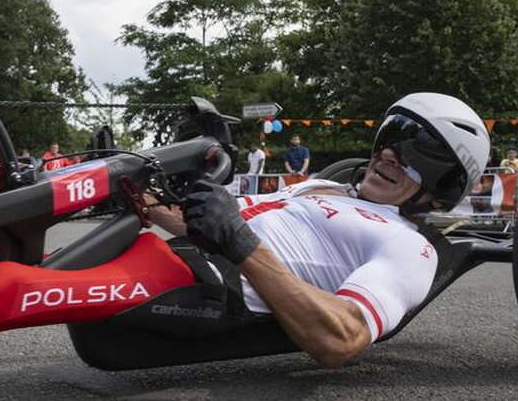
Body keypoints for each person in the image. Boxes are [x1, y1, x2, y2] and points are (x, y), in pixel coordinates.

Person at [146, 92, 489, 367]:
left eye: (414, 155)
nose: (387, 154)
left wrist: (239, 241)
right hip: (172, 255)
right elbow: (210, 220)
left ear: (442, 186)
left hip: (206, 282)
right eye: (391, 138)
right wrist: (140, 192)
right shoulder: (324, 185)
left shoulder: (410, 246)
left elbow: (341, 337)